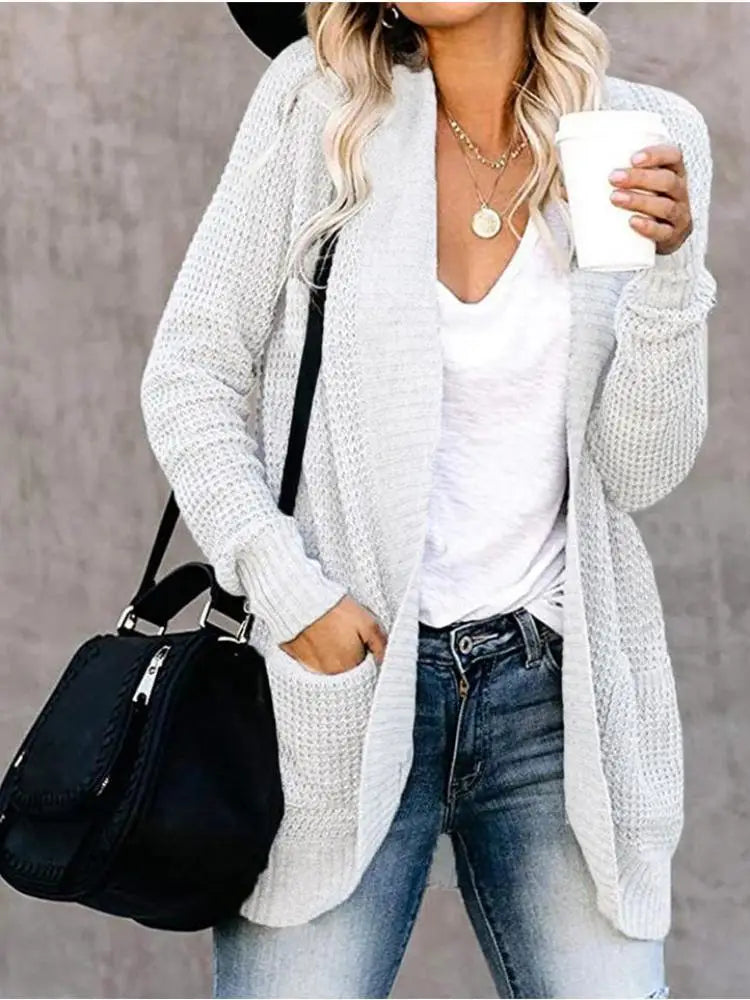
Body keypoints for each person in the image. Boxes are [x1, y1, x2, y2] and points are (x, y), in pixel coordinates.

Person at [139, 2, 718, 997]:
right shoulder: (320, 108)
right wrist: (291, 594)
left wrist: (671, 281)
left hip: (555, 701)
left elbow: (638, 473)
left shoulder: (640, 138)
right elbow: (190, 372)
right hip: (348, 682)